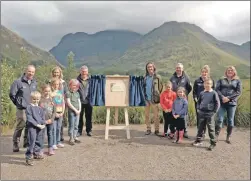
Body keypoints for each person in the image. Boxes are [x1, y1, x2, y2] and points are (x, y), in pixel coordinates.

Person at [9, 65, 37, 152]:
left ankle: (26, 142)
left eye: (32, 72)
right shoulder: (18, 82)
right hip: (22, 108)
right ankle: (15, 143)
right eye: (29, 71)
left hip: (31, 108)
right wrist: (18, 103)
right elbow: (12, 94)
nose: (31, 73)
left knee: (29, 125)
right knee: (20, 125)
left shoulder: (34, 82)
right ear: (25, 71)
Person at [215, 66, 242, 144]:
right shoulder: (221, 79)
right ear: (226, 71)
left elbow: (238, 92)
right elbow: (217, 89)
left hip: (232, 103)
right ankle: (216, 135)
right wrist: (222, 97)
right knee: (220, 119)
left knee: (230, 120)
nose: (230, 71)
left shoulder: (237, 81)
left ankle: (228, 136)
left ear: (234, 72)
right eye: (228, 70)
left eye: (231, 70)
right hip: (222, 102)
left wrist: (229, 98)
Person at [192, 79, 220, 151]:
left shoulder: (214, 93)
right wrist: (198, 109)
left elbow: (217, 103)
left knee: (211, 128)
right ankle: (198, 141)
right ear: (204, 85)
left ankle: (213, 143)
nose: (207, 85)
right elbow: (198, 102)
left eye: (209, 84)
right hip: (201, 113)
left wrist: (214, 112)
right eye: (206, 84)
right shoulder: (202, 93)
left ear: (211, 85)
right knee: (200, 128)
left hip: (210, 113)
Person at [170, 63, 192, 138]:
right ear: (175, 69)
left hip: (183, 100)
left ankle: (184, 131)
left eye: (180, 68)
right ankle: (174, 131)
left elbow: (189, 88)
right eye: (177, 68)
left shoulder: (186, 77)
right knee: (174, 114)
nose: (178, 69)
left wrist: (184, 94)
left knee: (183, 115)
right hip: (175, 100)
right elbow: (170, 87)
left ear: (182, 69)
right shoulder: (172, 78)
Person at [193, 65, 215, 138]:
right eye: (203, 72)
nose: (204, 73)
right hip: (199, 104)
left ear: (208, 73)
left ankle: (205, 133)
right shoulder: (197, 81)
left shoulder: (211, 81)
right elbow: (194, 91)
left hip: (208, 104)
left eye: (205, 72)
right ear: (201, 72)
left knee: (207, 119)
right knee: (199, 118)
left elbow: (214, 92)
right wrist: (195, 98)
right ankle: (199, 133)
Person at [25, 91, 46, 166]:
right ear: (31, 99)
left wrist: (43, 124)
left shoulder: (40, 108)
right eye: (34, 99)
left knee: (38, 141)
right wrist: (37, 124)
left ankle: (36, 153)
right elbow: (29, 118)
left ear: (39, 99)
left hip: (40, 127)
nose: (36, 101)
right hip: (32, 127)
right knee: (32, 141)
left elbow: (43, 118)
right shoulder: (29, 107)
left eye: (37, 99)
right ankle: (29, 157)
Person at [47, 66, 68, 142]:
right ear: (52, 73)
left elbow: (65, 93)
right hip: (53, 105)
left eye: (57, 72)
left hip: (61, 104)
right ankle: (53, 141)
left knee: (60, 124)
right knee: (53, 124)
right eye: (55, 72)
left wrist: (65, 104)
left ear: (60, 73)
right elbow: (47, 94)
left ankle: (59, 137)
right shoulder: (49, 82)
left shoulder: (63, 82)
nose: (56, 74)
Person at [143, 62, 163, 135]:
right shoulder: (145, 77)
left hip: (155, 100)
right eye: (148, 67)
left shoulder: (158, 77)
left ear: (154, 67)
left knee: (156, 116)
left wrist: (157, 95)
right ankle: (148, 129)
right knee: (147, 115)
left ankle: (157, 130)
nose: (150, 68)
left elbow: (160, 87)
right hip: (146, 99)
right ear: (147, 68)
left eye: (151, 67)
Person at [39, 84, 56, 156]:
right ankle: (40, 149)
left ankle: (50, 148)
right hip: (42, 121)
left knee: (50, 134)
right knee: (41, 135)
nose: (47, 92)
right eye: (46, 91)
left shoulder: (52, 100)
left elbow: (54, 111)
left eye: (49, 91)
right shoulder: (40, 100)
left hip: (50, 121)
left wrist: (51, 119)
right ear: (42, 91)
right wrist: (43, 121)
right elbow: (38, 111)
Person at [77, 65, 93, 137]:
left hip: (89, 101)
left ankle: (89, 131)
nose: (84, 72)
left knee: (89, 117)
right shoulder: (76, 80)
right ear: (80, 71)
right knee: (79, 117)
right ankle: (79, 131)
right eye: (83, 71)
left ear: (87, 72)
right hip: (79, 101)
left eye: (85, 71)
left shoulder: (91, 80)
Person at [50, 78, 65, 149]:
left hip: (60, 112)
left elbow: (63, 103)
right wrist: (55, 113)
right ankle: (53, 143)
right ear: (52, 85)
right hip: (54, 113)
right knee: (54, 128)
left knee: (59, 128)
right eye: (55, 84)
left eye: (58, 84)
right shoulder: (51, 94)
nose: (56, 85)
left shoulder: (60, 92)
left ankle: (58, 142)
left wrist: (63, 112)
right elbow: (50, 104)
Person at [66, 79, 82, 145]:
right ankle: (71, 138)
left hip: (77, 112)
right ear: (70, 85)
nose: (74, 86)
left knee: (76, 125)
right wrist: (75, 110)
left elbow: (79, 102)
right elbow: (69, 103)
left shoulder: (77, 93)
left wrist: (79, 110)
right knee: (71, 125)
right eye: (73, 85)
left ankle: (75, 137)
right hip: (72, 112)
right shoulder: (68, 93)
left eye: (76, 85)